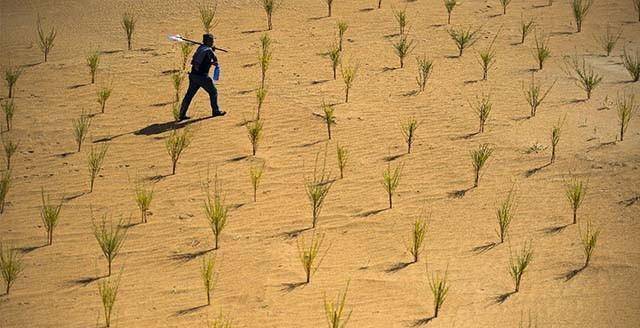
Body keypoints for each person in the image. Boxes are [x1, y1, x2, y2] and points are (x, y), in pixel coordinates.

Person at [178, 33, 226, 121]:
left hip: (193, 75)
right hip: (202, 77)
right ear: (208, 41)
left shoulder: (200, 48)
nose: (212, 42)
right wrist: (212, 52)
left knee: (189, 95)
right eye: (211, 41)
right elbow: (215, 60)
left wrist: (211, 53)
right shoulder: (208, 50)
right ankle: (216, 111)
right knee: (213, 92)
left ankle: (182, 114)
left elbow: (204, 61)